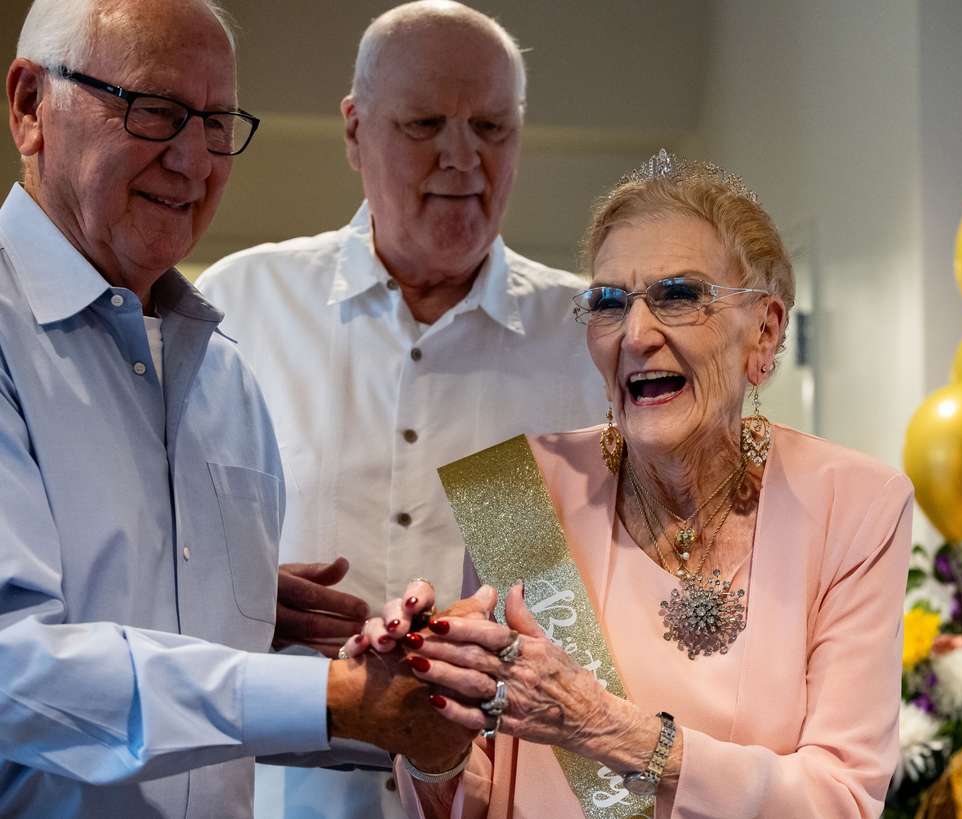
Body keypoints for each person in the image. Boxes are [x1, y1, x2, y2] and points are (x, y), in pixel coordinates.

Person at [0, 2, 481, 817]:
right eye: (155, 111)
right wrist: (328, 695)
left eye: (218, 124)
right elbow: (15, 673)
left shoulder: (222, 372)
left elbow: (207, 689)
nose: (192, 159)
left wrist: (416, 697)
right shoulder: (25, 332)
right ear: (30, 106)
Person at [349, 151, 915, 817]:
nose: (637, 334)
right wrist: (428, 731)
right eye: (610, 303)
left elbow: (842, 801)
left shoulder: (856, 505)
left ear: (764, 330)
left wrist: (607, 729)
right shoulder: (516, 495)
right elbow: (480, 801)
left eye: (679, 296)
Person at [195, 3, 605, 815]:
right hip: (279, 794)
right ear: (354, 129)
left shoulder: (588, 340)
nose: (464, 157)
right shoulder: (237, 307)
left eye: (493, 125)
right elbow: (162, 561)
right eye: (425, 124)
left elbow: (619, 598)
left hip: (507, 796)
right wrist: (235, 597)